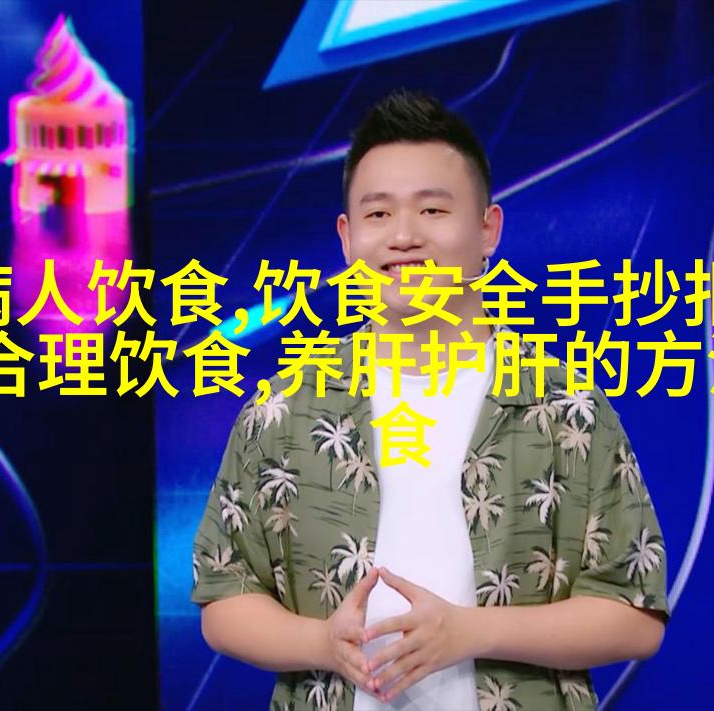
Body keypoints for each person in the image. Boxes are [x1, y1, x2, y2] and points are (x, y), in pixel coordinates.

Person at [191, 88, 669, 711]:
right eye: (378, 214)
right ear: (346, 238)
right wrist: (323, 643)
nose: (404, 236)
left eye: (433, 210)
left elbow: (634, 613)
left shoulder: (564, 408)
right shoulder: (282, 411)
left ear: (487, 229)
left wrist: (472, 632)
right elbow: (224, 597)